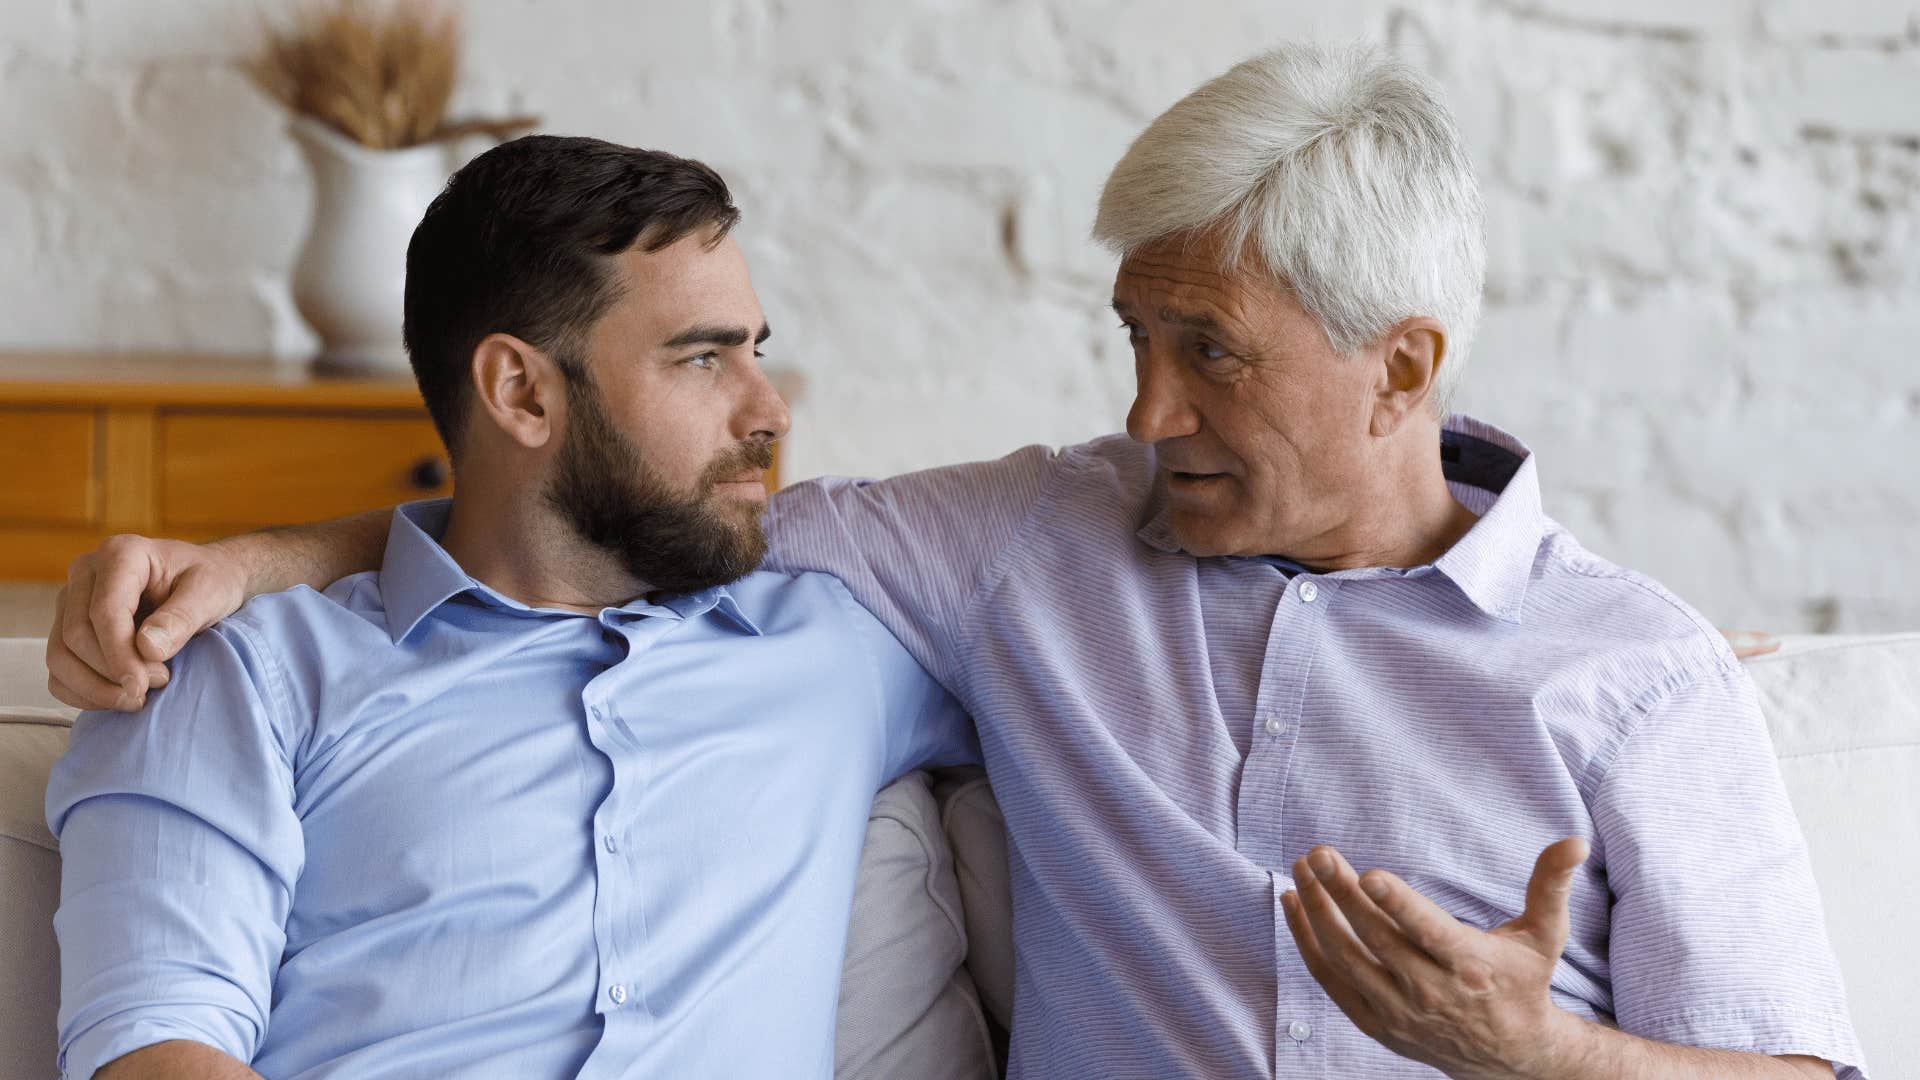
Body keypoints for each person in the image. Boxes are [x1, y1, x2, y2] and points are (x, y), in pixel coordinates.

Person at [48, 44, 1863, 1079]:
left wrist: (1539, 1057)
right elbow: (585, 532)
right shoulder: (1028, 552)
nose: (1144, 412)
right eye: (1132, 340)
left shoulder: (1631, 672)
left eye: (1209, 352)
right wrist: (262, 557)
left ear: (1405, 362)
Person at [44, 137, 978, 1079]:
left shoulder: (841, 645)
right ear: (521, 392)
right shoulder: (240, 673)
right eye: (702, 360)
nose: (768, 409)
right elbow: (156, 1044)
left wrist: (264, 552)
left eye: (755, 353)